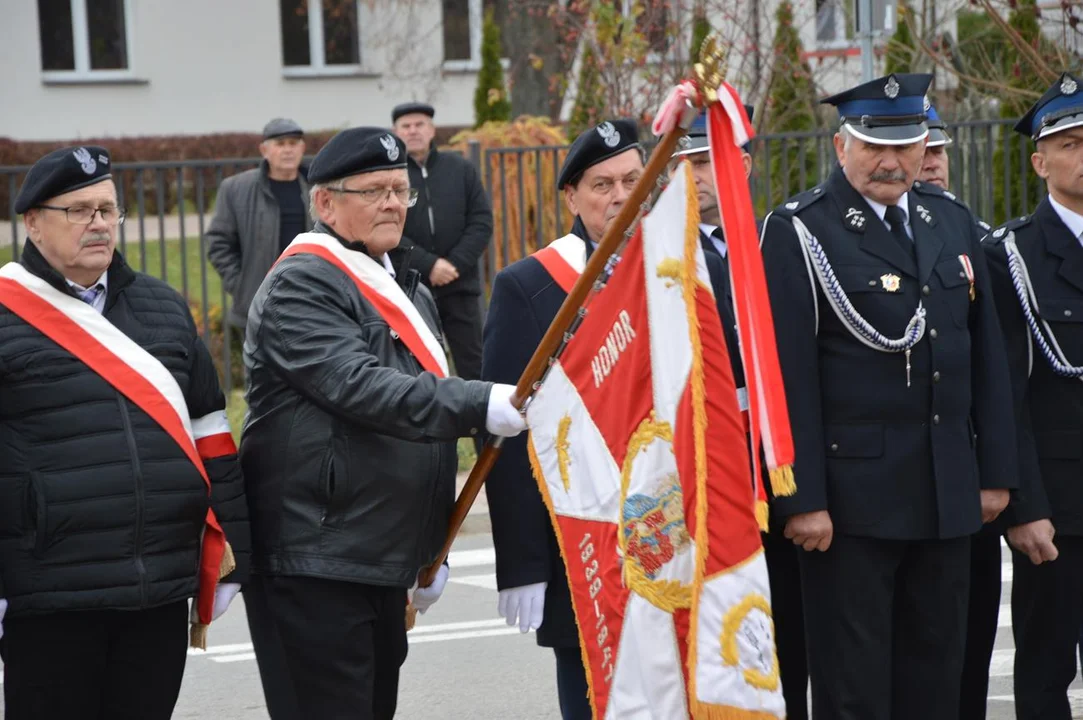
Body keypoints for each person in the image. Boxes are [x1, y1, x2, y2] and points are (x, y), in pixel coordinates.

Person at [240, 126, 526, 719]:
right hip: (316, 559)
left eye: (400, 190)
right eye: (374, 191)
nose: (393, 203)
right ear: (325, 202)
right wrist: (479, 402)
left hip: (374, 556)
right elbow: (364, 388)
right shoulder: (302, 282)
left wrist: (431, 548)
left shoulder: (405, 287)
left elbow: (417, 433)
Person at [759, 73, 1018, 719]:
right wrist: (801, 499)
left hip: (945, 492)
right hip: (849, 507)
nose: (890, 160)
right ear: (840, 144)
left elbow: (984, 363)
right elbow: (786, 376)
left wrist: (994, 476)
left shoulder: (949, 220)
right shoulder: (800, 230)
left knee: (936, 675)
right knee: (854, 686)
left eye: (906, 145)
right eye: (873, 144)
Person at [483, 119, 736, 720]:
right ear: (570, 196)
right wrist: (522, 562)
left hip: (687, 528)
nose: (620, 196)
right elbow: (505, 434)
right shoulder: (530, 287)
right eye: (602, 184)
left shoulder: (686, 266)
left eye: (630, 180)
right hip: (588, 541)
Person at [0, 145, 249, 719]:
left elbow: (211, 432)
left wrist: (239, 558)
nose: (99, 224)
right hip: (50, 595)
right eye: (80, 210)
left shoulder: (161, 306)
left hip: (157, 590)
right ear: (33, 222)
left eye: (109, 210)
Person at [671, 104, 809, 720]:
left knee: (793, 622)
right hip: (704, 457)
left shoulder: (780, 241)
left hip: (779, 451)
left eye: (704, 161)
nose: (692, 176)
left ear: (741, 165)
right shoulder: (660, 256)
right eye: (679, 164)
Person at [982, 72, 1083, 720]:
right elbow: (1003, 396)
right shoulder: (1011, 256)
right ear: (1039, 161)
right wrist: (1023, 504)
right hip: (1060, 508)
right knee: (1046, 671)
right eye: (1070, 143)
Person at [389, 102, 492, 382]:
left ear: (432, 130)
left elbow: (481, 221)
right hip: (411, 286)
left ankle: (480, 423)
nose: (413, 131)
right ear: (396, 132)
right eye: (406, 126)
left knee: (474, 364)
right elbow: (388, 228)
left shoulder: (460, 169)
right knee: (420, 367)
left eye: (419, 124)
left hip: (460, 285)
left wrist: (454, 264)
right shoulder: (391, 177)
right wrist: (429, 265)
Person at [206, 117, 312, 342]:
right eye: (280, 144)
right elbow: (218, 242)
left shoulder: (317, 188)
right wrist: (241, 285)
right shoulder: (236, 189)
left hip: (311, 300)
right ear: (264, 150)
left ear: (302, 148)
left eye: (293, 144)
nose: (287, 150)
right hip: (259, 303)